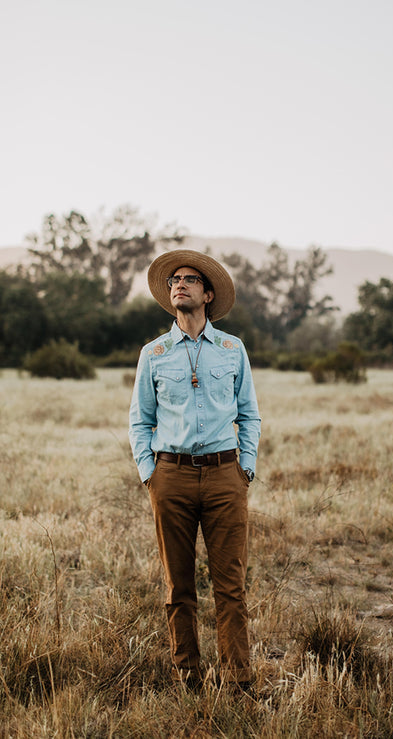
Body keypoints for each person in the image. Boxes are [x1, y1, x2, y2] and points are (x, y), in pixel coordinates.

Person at [129, 249, 261, 688]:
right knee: (177, 587)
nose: (179, 284)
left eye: (188, 279)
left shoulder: (231, 348)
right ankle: (188, 678)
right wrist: (151, 474)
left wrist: (246, 468)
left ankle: (239, 682)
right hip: (172, 476)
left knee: (231, 587)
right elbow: (139, 420)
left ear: (207, 294)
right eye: (174, 281)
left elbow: (250, 414)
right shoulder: (154, 352)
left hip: (226, 476)